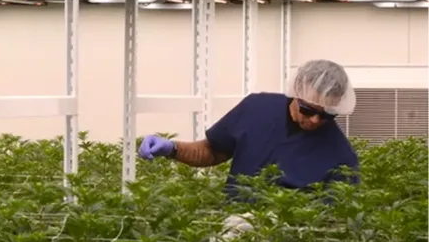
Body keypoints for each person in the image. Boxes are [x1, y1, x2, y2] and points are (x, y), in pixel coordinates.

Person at [138, 59, 360, 200]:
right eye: (307, 110)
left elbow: (335, 218)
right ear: (295, 93)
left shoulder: (341, 156)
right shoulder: (256, 108)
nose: (314, 120)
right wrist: (172, 149)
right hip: (233, 225)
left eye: (326, 115)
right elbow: (213, 151)